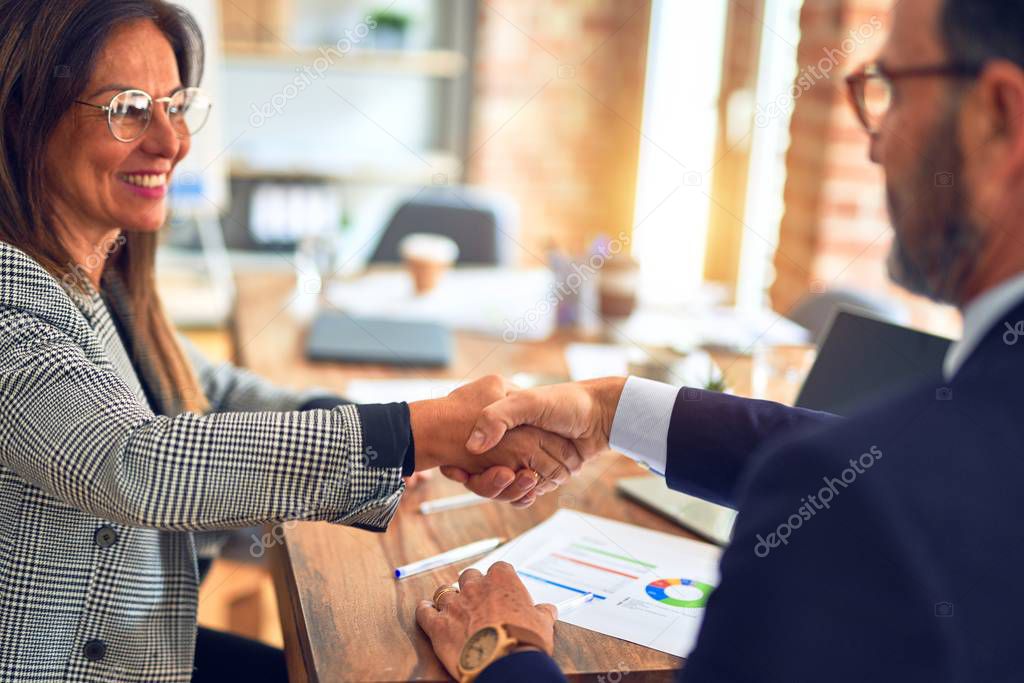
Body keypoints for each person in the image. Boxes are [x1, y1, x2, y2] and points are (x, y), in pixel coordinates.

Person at [417, 0, 1024, 681]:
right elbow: (881, 461)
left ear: (1001, 114)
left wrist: (502, 651)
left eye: (893, 89)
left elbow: (870, 479)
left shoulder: (871, 503)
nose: (875, 143)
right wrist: (613, 410)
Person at [0, 2, 576, 681]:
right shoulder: (12, 306)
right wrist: (409, 436)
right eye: (128, 108)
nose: (172, 140)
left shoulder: (101, 274)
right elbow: (134, 460)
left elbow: (209, 388)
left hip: (147, 644)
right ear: (24, 119)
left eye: (176, 104)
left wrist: (392, 437)